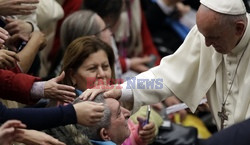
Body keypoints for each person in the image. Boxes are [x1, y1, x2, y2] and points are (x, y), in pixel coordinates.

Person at [82, 0, 250, 131]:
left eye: (214, 38)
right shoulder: (205, 33)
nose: (206, 44)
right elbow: (165, 77)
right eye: (203, 36)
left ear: (239, 28)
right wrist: (125, 90)